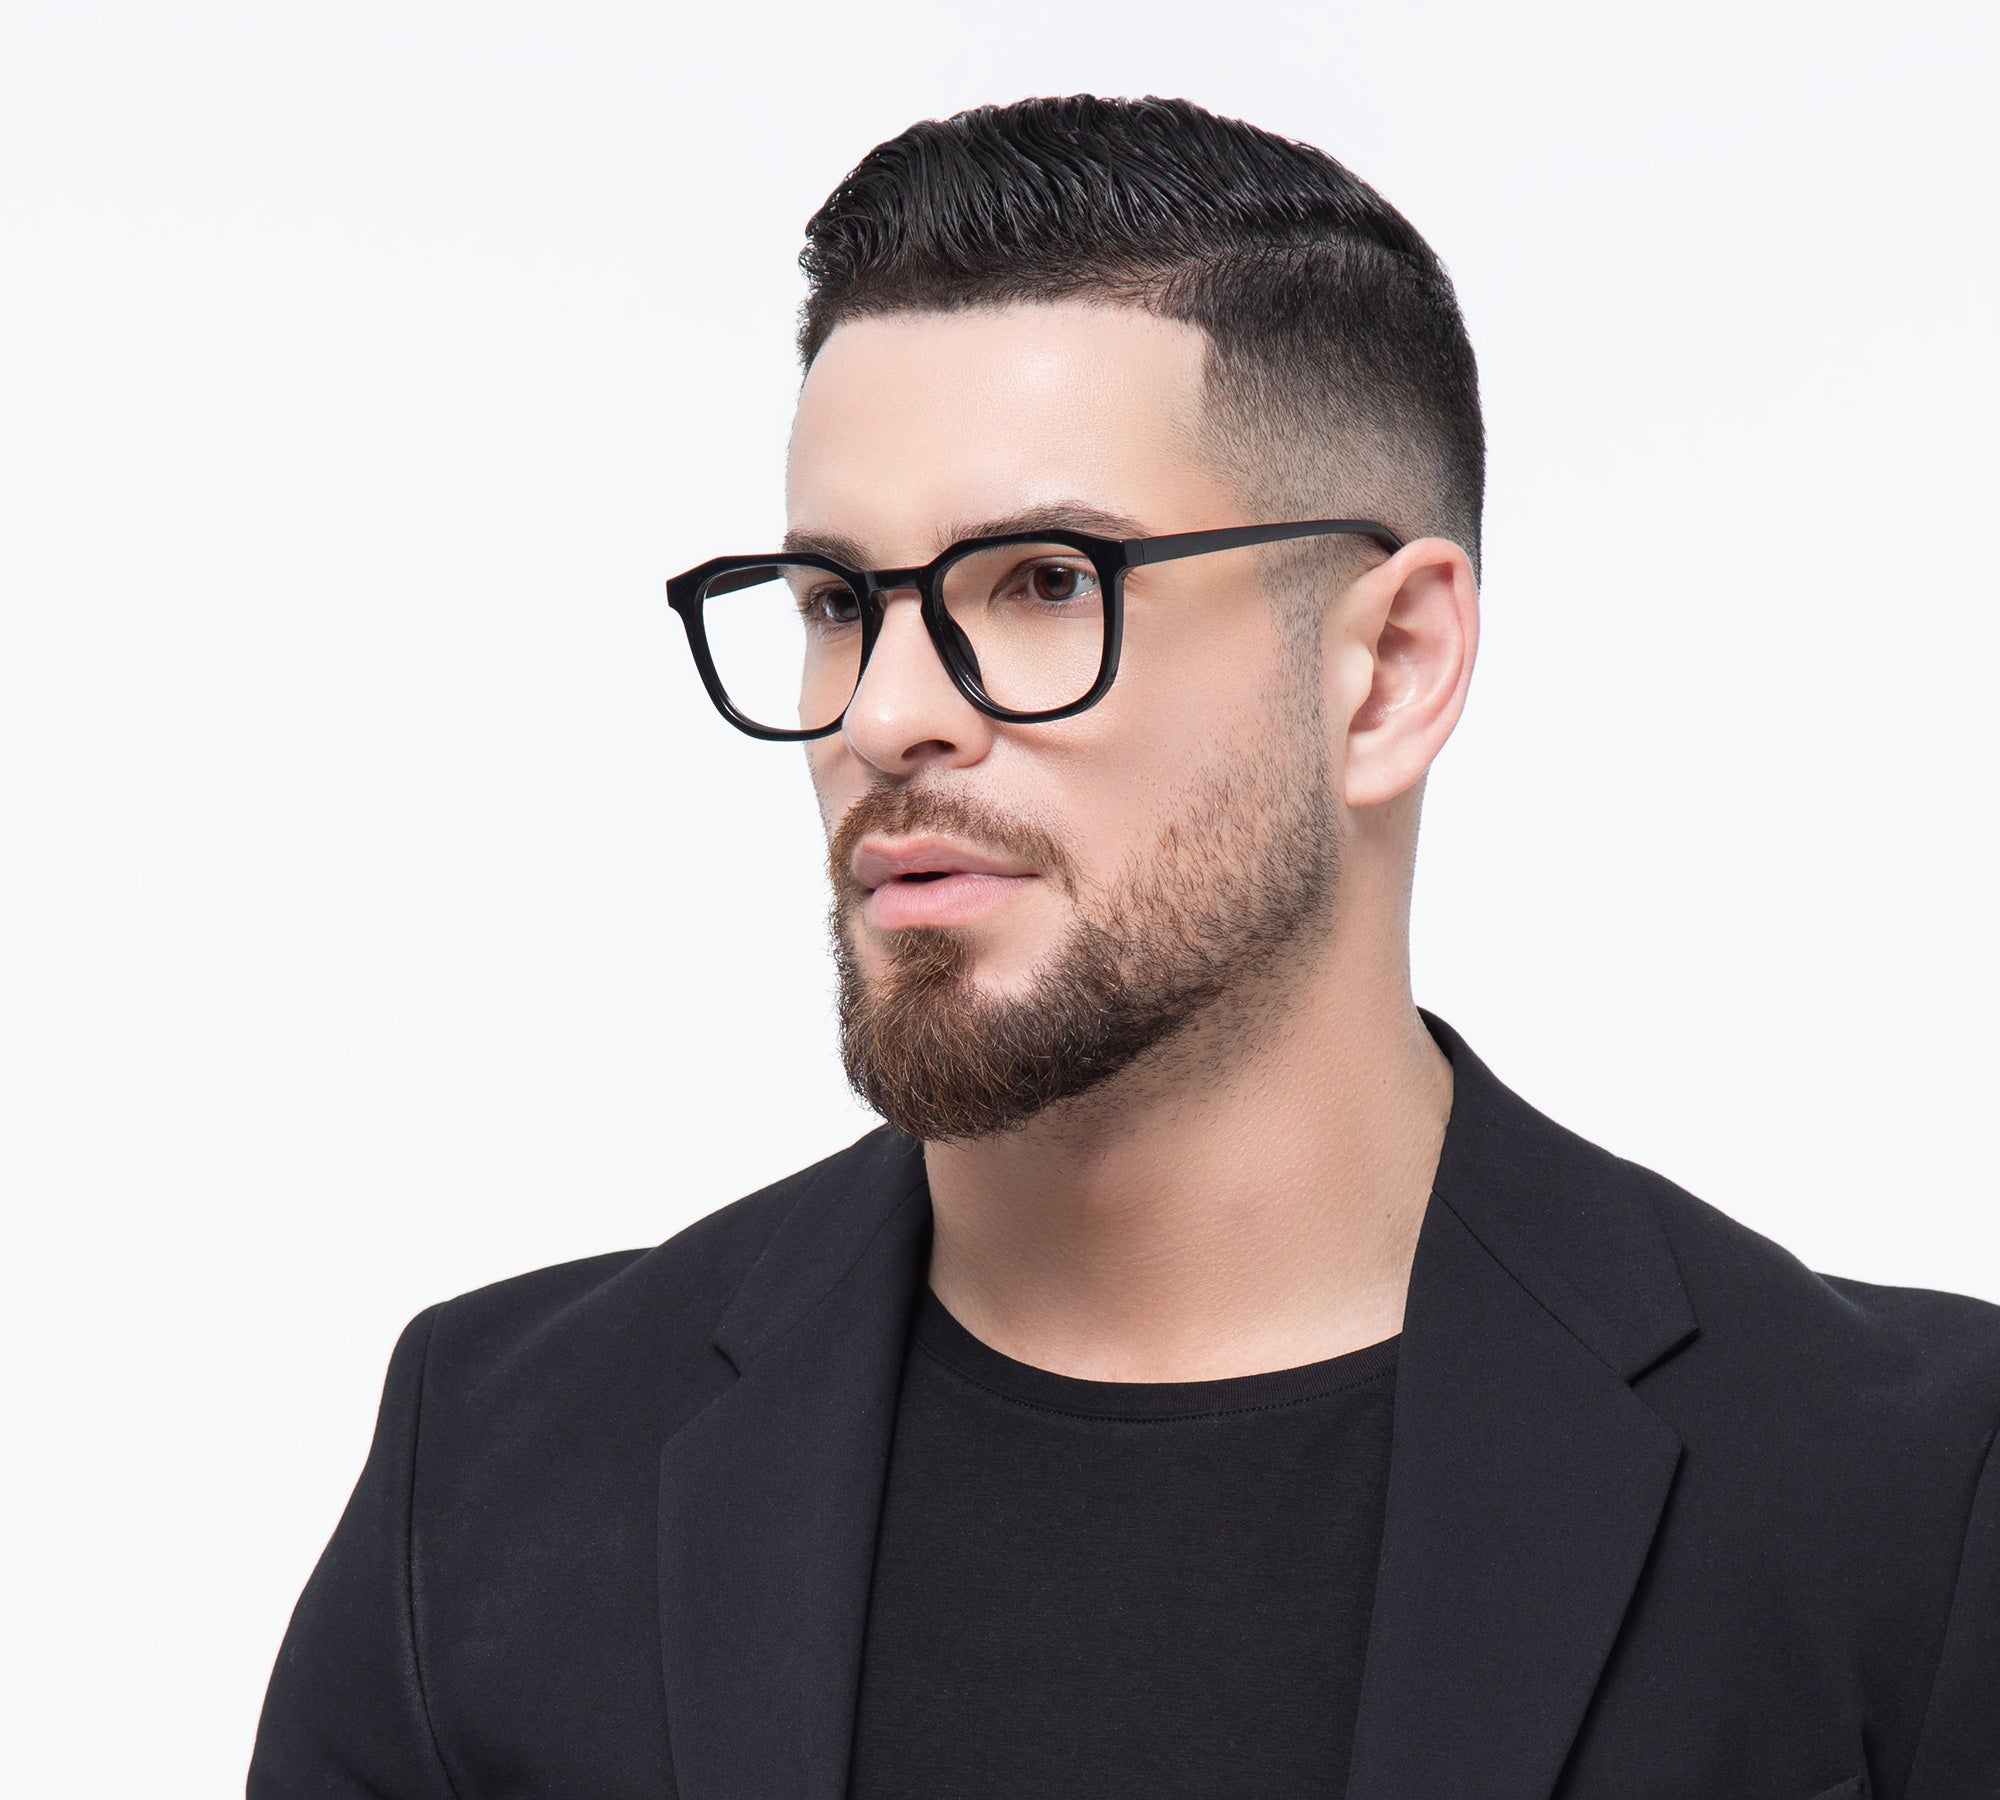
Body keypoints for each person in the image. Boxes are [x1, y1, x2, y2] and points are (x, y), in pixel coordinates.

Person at [248, 95, 2000, 1800]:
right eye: (841, 604)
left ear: (1388, 671)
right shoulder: (493, 1476)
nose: (886, 714)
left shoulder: (1907, 1504)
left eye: (1044, 582)